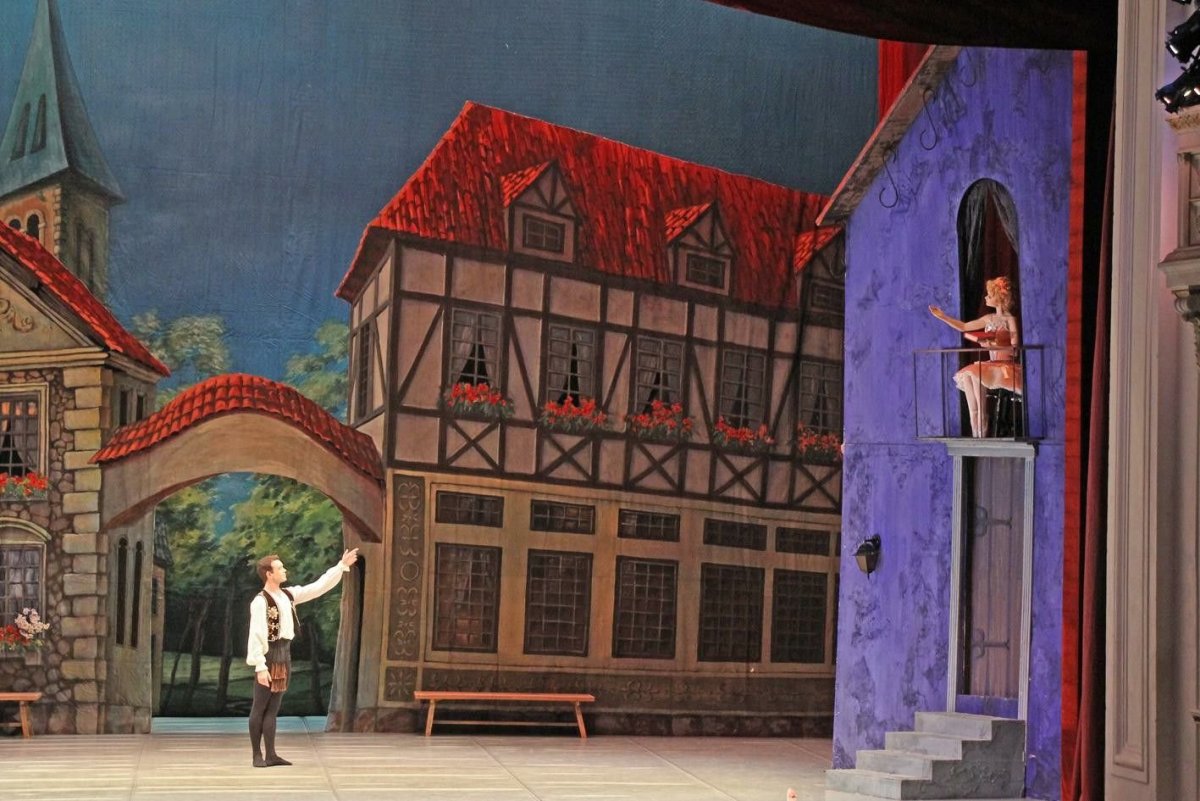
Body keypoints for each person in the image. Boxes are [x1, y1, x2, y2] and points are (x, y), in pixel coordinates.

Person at [246, 548, 358, 767]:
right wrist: (260, 666)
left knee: (273, 708)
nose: (284, 570)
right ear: (269, 574)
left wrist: (340, 566)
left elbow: (316, 587)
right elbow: (256, 634)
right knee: (260, 706)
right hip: (270, 655)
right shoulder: (260, 602)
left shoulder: (288, 595)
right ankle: (257, 755)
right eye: (280, 568)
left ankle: (271, 754)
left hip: (284, 654)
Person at [928, 276, 1022, 437]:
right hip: (991, 363)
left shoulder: (1010, 320)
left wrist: (993, 345)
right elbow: (964, 326)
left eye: (989, 295)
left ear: (999, 298)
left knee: (976, 374)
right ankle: (976, 430)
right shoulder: (988, 319)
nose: (986, 298)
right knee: (968, 375)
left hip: (1005, 366)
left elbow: (1015, 349)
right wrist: (943, 317)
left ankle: (983, 425)